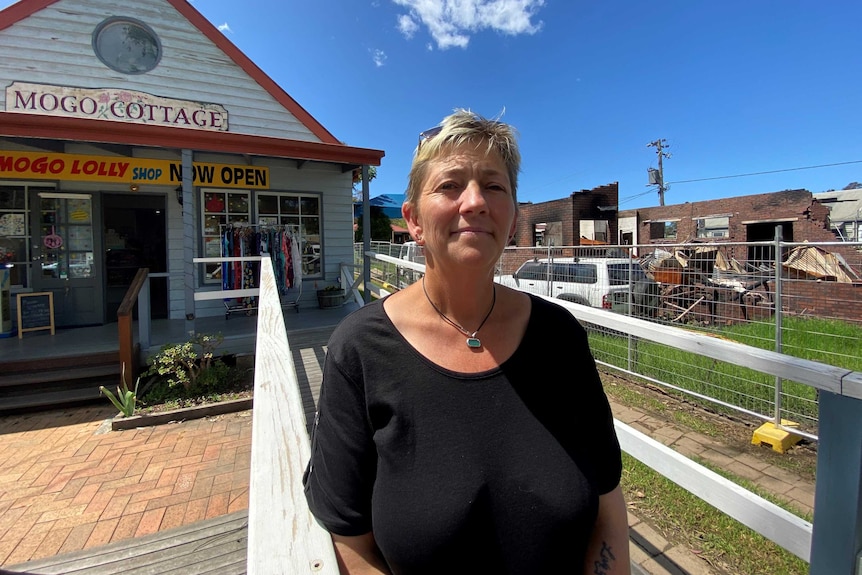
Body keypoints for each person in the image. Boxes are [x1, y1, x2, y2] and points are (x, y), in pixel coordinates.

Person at [303, 109, 630, 575]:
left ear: (513, 217)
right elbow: (349, 539)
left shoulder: (560, 338)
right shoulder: (359, 350)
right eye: (450, 185)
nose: (475, 201)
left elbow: (608, 503)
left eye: (494, 186)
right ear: (413, 221)